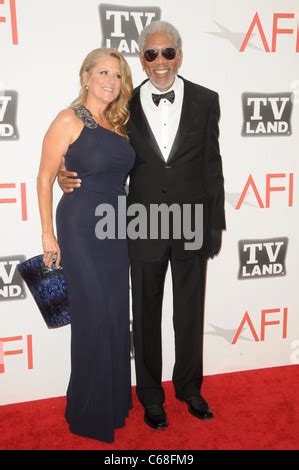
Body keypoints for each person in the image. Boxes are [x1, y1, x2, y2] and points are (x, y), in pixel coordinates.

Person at [59, 21, 225, 430]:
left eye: (167, 52)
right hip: (141, 224)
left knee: (189, 314)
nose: (160, 61)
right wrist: (66, 174)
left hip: (191, 223)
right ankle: (151, 395)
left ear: (179, 55)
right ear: (142, 58)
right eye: (151, 54)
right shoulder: (123, 105)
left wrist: (214, 224)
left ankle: (188, 387)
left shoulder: (206, 100)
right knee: (146, 315)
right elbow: (93, 148)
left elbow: (212, 165)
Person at [37, 48, 135, 443]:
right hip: (79, 227)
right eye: (104, 72)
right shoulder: (68, 119)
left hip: (116, 229)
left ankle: (112, 403)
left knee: (113, 314)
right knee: (94, 316)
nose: (110, 81)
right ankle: (88, 411)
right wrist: (47, 233)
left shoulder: (118, 127)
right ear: (87, 75)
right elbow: (45, 177)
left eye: (118, 75)